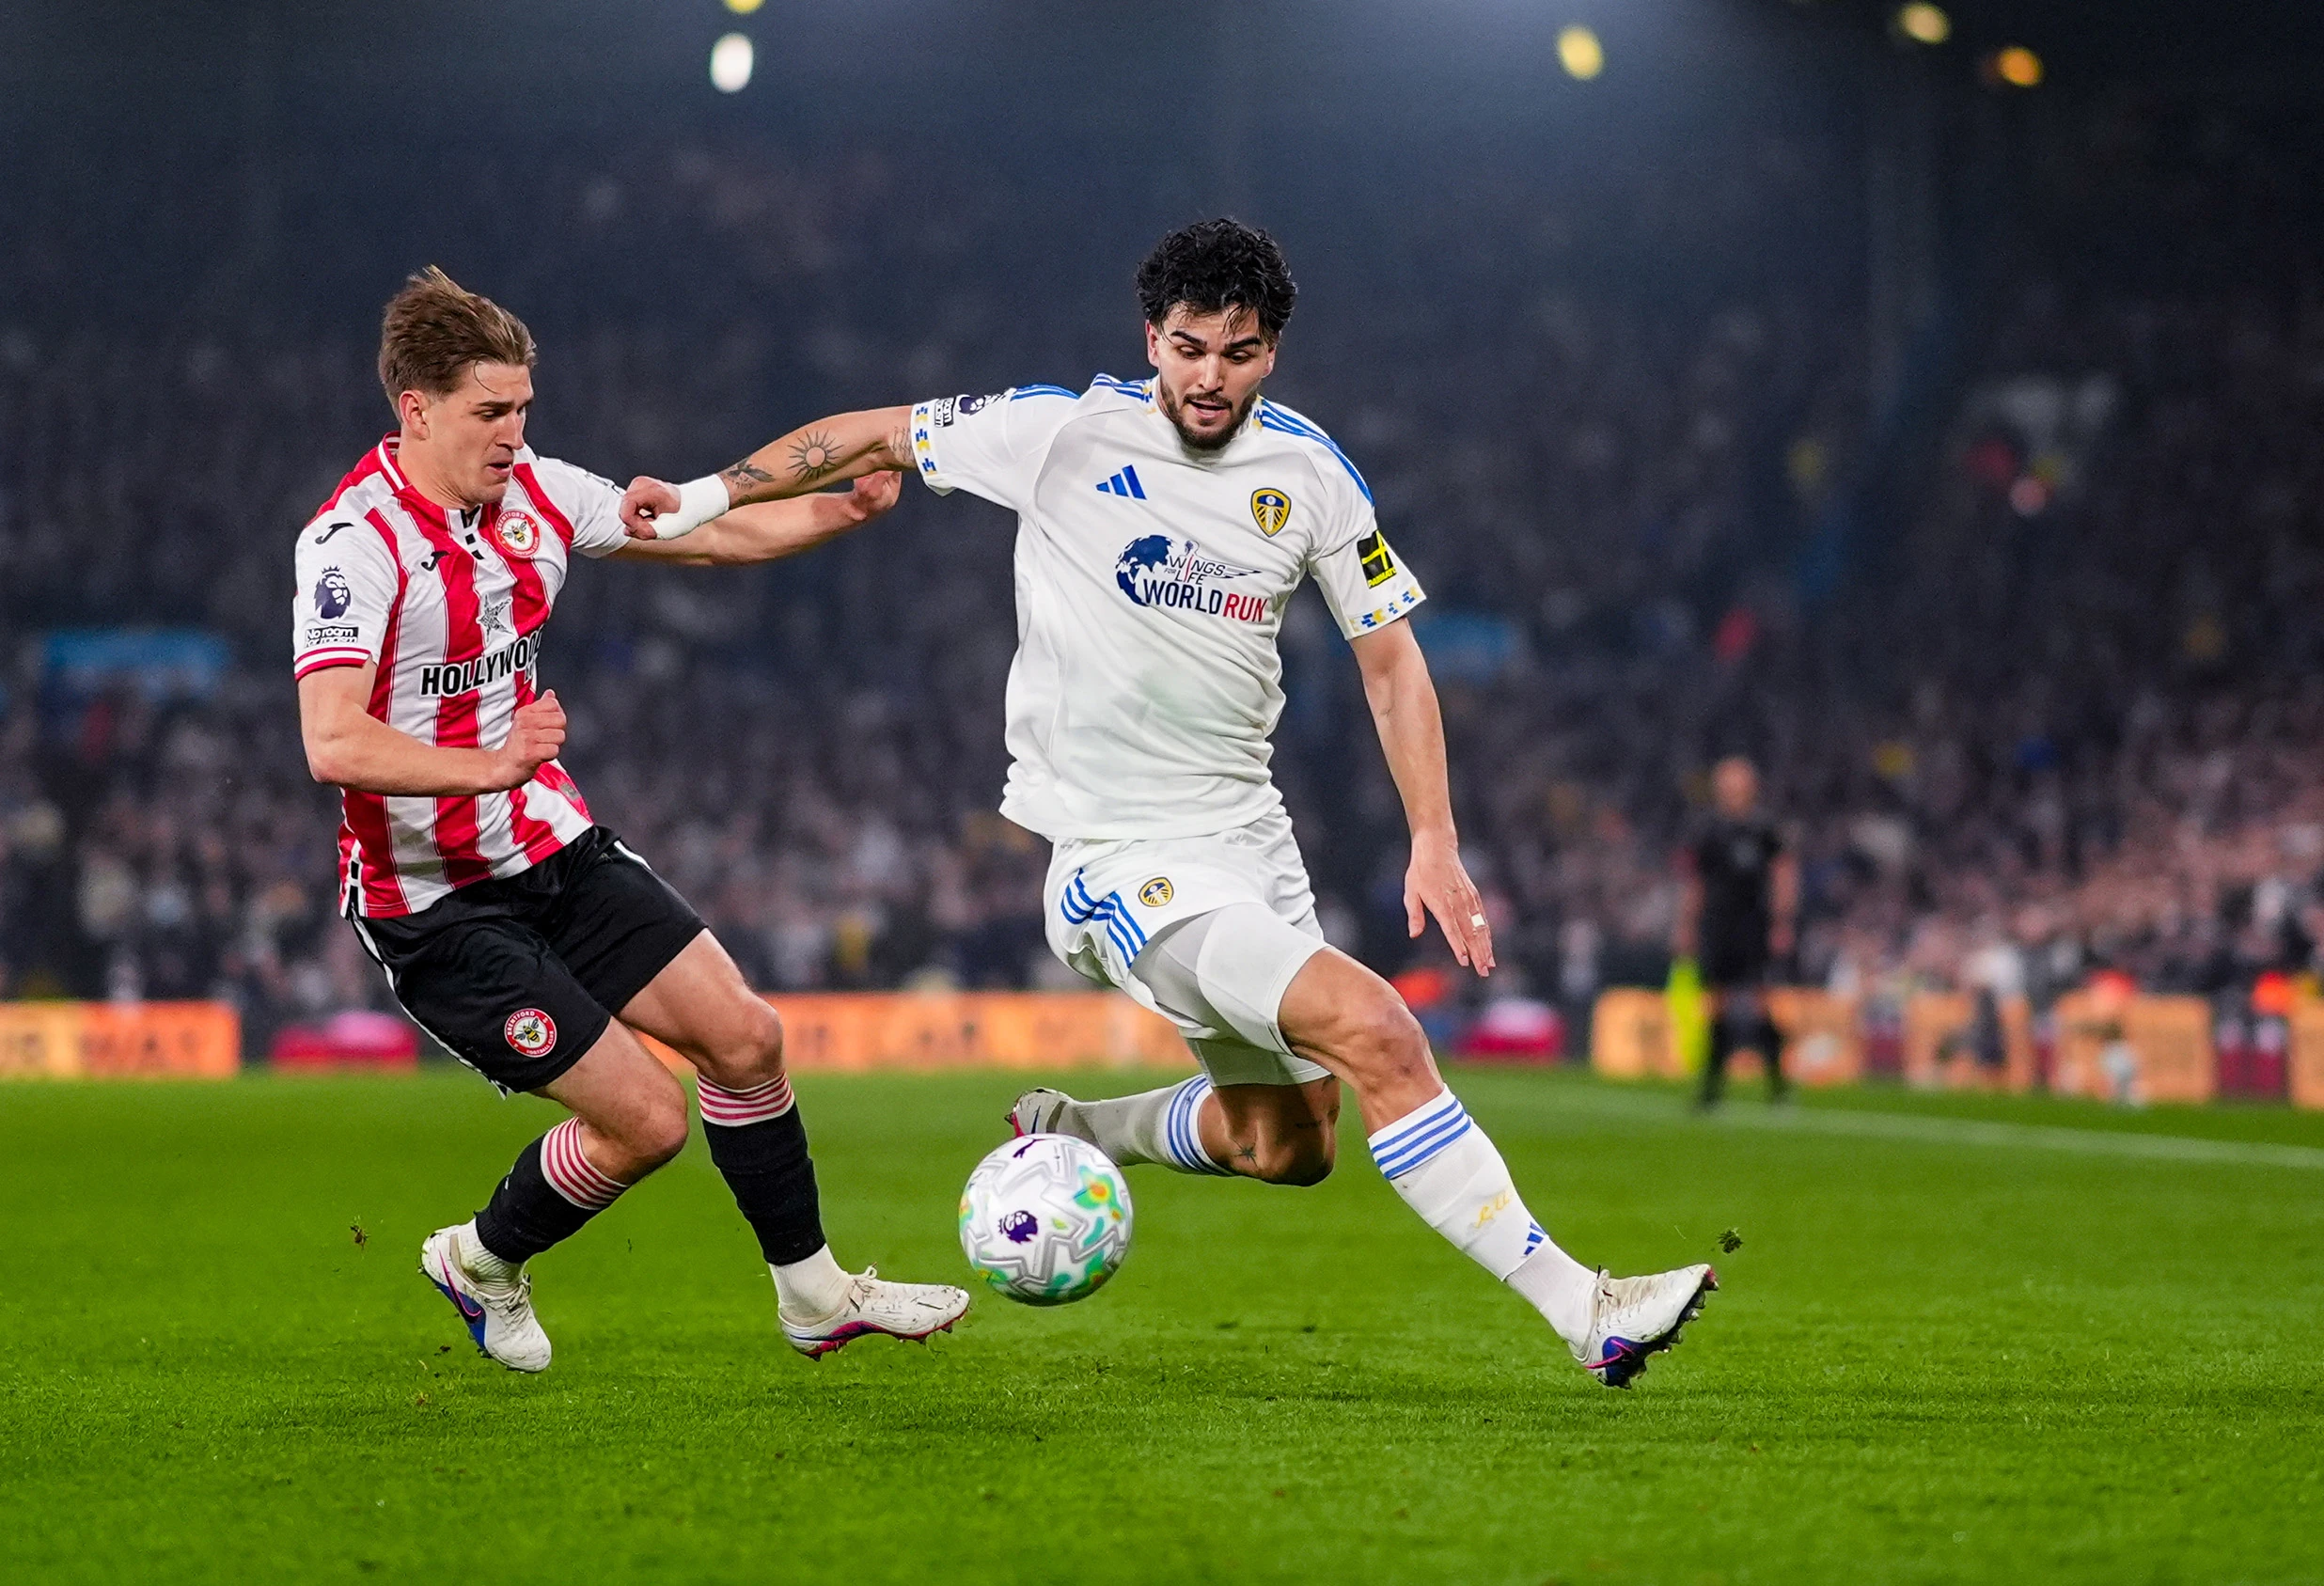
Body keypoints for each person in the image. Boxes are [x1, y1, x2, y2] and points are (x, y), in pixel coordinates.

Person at [622, 221, 1717, 1388]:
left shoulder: (1311, 475)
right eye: (1188, 348)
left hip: (1251, 840)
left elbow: (1392, 662)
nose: (1208, 377)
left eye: (1237, 353)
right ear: (1151, 338)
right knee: (1380, 1029)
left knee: (1290, 1146)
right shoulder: (1059, 433)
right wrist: (700, 496)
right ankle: (1587, 1307)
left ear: (1271, 352)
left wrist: (1434, 839)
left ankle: (1089, 1130)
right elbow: (871, 431)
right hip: (1117, 856)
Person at [293, 267, 966, 1372]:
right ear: (414, 408)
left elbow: (704, 538)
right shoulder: (352, 544)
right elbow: (332, 741)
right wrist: (490, 763)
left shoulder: (541, 492)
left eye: (523, 408)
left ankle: (813, 1294)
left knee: (746, 1039)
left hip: (550, 844)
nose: (515, 433)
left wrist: (836, 512)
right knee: (648, 1122)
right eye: (490, 412)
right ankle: (481, 1259)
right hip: (434, 902)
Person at [1674, 756, 1798, 1108]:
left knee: (1761, 1004)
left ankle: (1778, 1086)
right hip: (1718, 925)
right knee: (1717, 1005)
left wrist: (1782, 921)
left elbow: (1784, 873)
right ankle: (1711, 1089)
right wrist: (1687, 926)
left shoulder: (1765, 828)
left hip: (1754, 924)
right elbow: (1696, 883)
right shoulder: (1708, 830)